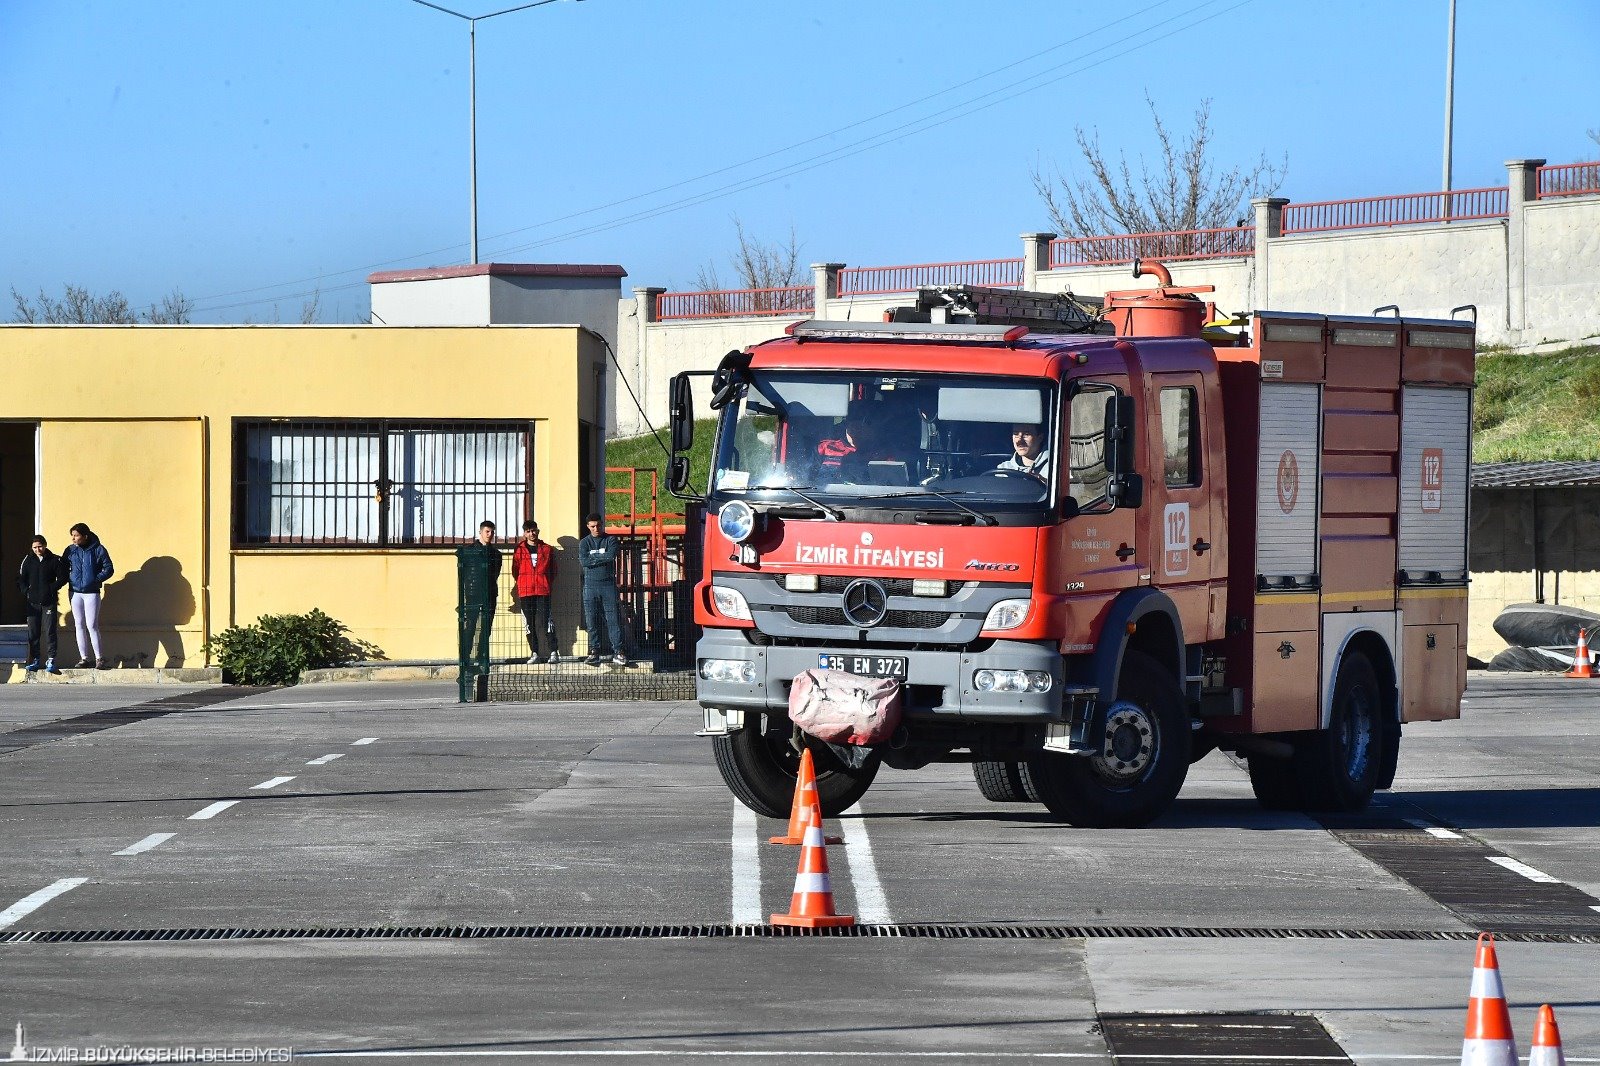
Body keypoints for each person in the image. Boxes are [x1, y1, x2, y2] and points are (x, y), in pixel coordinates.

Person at [62, 522, 114, 669]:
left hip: (91, 592)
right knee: (79, 624)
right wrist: (70, 578)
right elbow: (63, 567)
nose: (73, 538)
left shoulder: (98, 549)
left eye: (76, 535)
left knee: (92, 625)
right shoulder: (70, 550)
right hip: (74, 591)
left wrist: (95, 579)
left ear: (85, 536)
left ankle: (99, 658)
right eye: (72, 535)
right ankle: (84, 658)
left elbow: (109, 568)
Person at [578, 512, 627, 667]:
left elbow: (611, 556)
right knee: (591, 620)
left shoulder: (610, 539)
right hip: (590, 586)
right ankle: (594, 652)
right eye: (593, 526)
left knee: (613, 619)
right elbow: (584, 562)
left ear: (602, 524)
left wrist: (593, 558)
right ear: (588, 526)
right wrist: (602, 557)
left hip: (608, 585)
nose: (596, 528)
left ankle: (618, 651)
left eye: (598, 525)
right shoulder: (584, 543)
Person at [16, 535, 66, 674]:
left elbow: (63, 577)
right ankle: (35, 659)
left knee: (50, 631)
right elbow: (21, 578)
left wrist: (51, 588)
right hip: (32, 603)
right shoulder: (27, 560)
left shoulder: (54, 560)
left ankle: (51, 659)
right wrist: (26, 591)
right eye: (35, 547)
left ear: (45, 545)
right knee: (33, 632)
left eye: (40, 546)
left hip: (49, 602)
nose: (38, 549)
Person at [510, 519, 557, 664]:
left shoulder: (547, 549)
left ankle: (553, 652)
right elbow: (515, 570)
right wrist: (524, 582)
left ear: (538, 531)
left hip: (543, 591)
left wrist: (545, 582)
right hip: (526, 591)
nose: (532, 534)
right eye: (528, 531)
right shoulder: (519, 550)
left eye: (534, 530)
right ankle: (534, 653)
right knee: (529, 624)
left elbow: (553, 570)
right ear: (524, 533)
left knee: (546, 621)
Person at [464, 520, 503, 667]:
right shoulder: (469, 551)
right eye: (487, 531)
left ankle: (481, 657)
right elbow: (464, 571)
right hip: (473, 593)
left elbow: (495, 573)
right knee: (470, 625)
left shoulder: (496, 554)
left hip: (490, 593)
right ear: (480, 532)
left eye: (492, 532)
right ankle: (465, 658)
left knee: (486, 627)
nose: (490, 534)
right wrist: (470, 586)